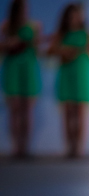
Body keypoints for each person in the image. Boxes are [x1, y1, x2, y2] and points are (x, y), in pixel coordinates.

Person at [47, 2, 89, 157]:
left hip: (82, 74)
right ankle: (69, 147)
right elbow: (50, 52)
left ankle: (79, 148)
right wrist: (65, 51)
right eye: (73, 15)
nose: (76, 18)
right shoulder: (61, 34)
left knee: (81, 113)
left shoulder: (87, 34)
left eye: (78, 15)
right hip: (66, 74)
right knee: (68, 113)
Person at [0, 0, 41, 157]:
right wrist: (9, 43)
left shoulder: (34, 26)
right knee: (15, 110)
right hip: (12, 69)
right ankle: (16, 147)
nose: (25, 12)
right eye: (22, 9)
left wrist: (34, 40)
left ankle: (26, 147)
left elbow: (38, 49)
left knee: (27, 111)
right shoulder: (6, 26)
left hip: (28, 69)